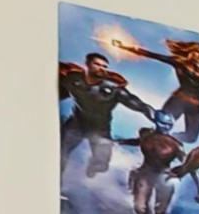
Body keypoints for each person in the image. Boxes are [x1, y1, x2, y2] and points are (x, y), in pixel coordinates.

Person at [104, 35, 199, 141]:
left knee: (191, 138)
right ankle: (143, 139)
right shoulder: (179, 62)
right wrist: (125, 47)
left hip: (194, 106)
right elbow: (152, 55)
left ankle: (163, 138)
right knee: (162, 129)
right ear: (192, 51)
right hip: (178, 101)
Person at [58, 52, 153, 180]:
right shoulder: (72, 78)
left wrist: (154, 113)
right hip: (76, 125)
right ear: (87, 64)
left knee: (101, 165)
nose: (101, 68)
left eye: (104, 66)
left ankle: (92, 169)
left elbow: (136, 103)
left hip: (100, 130)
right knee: (60, 156)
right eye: (97, 64)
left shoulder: (113, 89)